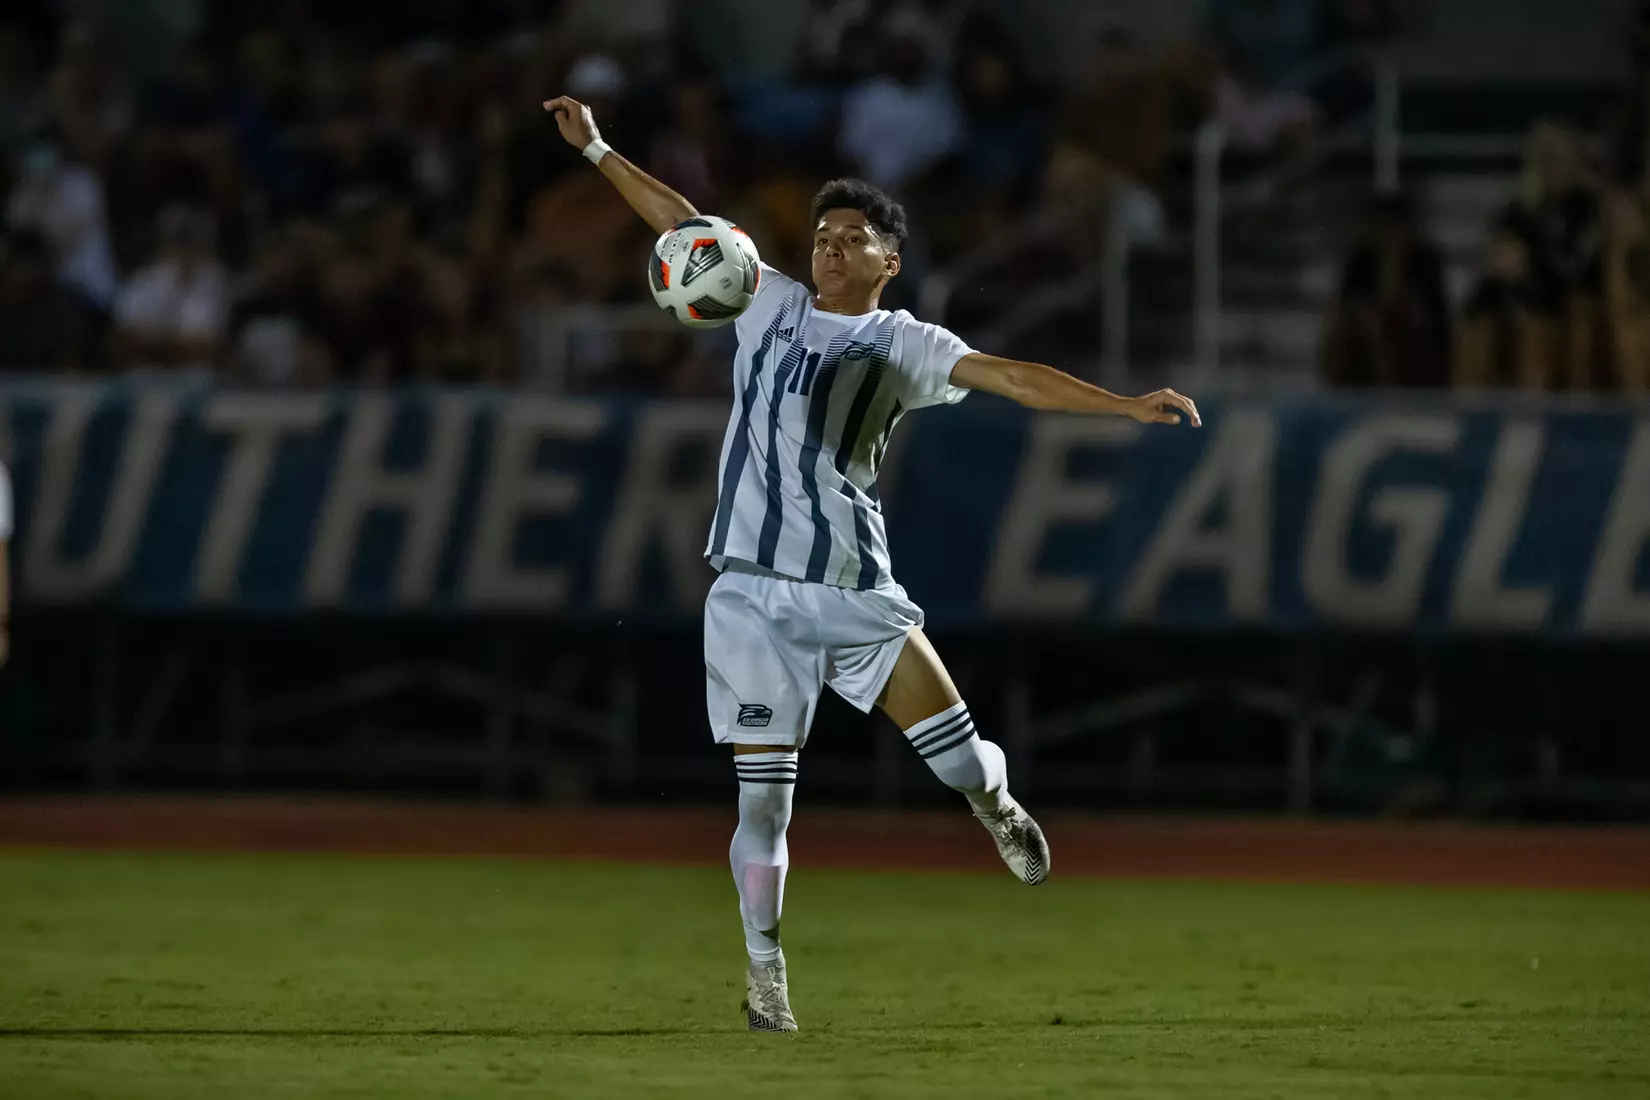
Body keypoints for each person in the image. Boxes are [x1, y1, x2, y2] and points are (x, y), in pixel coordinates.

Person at [542, 93, 1201, 1034]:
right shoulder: (760, 301)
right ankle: (764, 971)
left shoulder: (905, 344)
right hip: (749, 598)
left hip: (855, 593)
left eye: (852, 237)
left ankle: (997, 801)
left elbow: (1016, 379)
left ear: (891, 260)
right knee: (763, 803)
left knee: (960, 766)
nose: (830, 247)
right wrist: (598, 148)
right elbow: (683, 225)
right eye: (821, 235)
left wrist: (1125, 404)